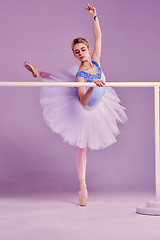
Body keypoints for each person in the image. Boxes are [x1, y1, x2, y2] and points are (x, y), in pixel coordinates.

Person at [24, 3, 127, 207]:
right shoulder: (80, 76)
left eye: (82, 49)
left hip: (101, 104)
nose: (80, 53)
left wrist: (94, 17)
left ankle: (41, 73)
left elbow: (98, 37)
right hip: (86, 108)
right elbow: (83, 102)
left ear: (88, 50)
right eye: (76, 51)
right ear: (74, 55)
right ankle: (83, 186)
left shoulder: (96, 60)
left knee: (63, 81)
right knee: (82, 145)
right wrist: (92, 86)